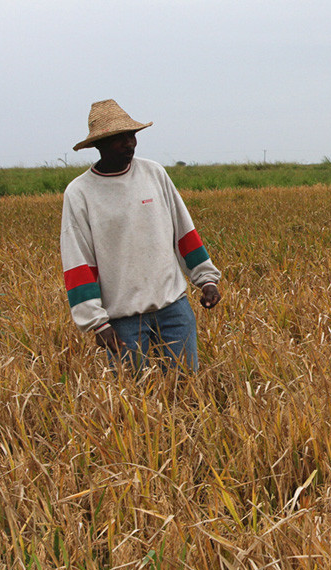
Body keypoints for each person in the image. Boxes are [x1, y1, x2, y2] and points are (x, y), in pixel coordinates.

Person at [60, 99, 221, 372]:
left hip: (174, 309)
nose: (129, 144)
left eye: (131, 135)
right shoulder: (80, 193)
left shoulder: (153, 173)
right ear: (98, 145)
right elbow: (78, 262)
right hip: (123, 321)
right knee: (135, 400)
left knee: (187, 390)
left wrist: (206, 278)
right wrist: (97, 322)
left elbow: (183, 230)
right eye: (118, 138)